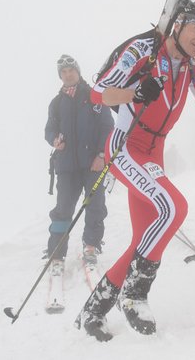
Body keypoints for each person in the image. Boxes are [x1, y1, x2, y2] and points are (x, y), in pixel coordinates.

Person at [74, 0, 195, 341]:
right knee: (174, 208)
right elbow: (97, 93)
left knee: (144, 239)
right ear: (179, 23)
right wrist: (135, 91)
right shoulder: (144, 49)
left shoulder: (194, 66)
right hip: (126, 144)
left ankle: (94, 310)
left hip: (153, 154)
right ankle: (135, 293)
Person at [44, 54, 114, 267]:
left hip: (93, 163)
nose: (67, 75)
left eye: (70, 70)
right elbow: (49, 130)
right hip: (66, 166)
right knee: (63, 209)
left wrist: (102, 155)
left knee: (95, 205)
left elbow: (107, 127)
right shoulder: (56, 104)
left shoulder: (94, 96)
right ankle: (56, 252)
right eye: (63, 72)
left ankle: (91, 246)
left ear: (78, 71)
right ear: (60, 76)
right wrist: (54, 139)